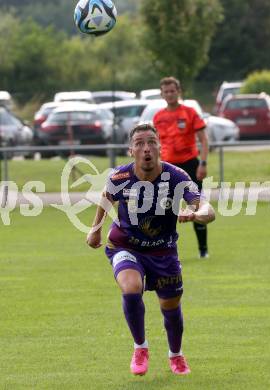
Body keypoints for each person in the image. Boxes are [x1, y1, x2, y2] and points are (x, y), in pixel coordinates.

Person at [86, 124, 215, 376]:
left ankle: (176, 355)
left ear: (159, 147)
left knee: (170, 306)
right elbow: (106, 196)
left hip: (163, 251)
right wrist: (95, 229)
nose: (146, 148)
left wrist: (196, 213)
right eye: (140, 143)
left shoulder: (176, 177)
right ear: (131, 149)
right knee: (131, 287)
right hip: (125, 245)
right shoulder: (120, 177)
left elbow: (208, 210)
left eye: (152, 142)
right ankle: (140, 347)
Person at [153, 76, 210, 258]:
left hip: (190, 164)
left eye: (172, 91)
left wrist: (203, 163)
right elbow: (155, 145)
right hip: (167, 168)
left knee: (196, 206)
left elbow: (203, 140)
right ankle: (164, 249)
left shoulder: (190, 112)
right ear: (162, 94)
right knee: (164, 209)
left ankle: (203, 250)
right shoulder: (158, 117)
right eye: (166, 91)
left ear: (179, 92)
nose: (170, 94)